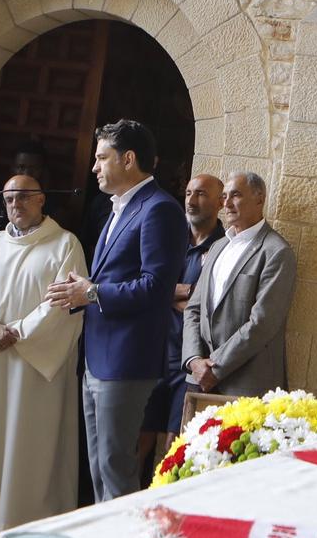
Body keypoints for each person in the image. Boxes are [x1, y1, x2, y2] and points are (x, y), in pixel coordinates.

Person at [45, 119, 185, 502]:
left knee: (116, 464)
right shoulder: (115, 209)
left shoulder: (159, 209)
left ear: (128, 159)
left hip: (127, 357)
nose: (94, 167)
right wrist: (77, 292)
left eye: (101, 158)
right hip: (98, 353)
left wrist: (91, 293)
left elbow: (156, 287)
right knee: (98, 465)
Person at [0, 174, 87, 530]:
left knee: (28, 438)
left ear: (42, 199)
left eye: (25, 197)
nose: (16, 205)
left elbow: (65, 301)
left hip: (35, 362)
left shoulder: (64, 244)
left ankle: (24, 516)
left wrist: (20, 332)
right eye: (10, 199)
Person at [183, 172, 297, 399]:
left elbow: (262, 323)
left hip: (245, 386)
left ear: (259, 199)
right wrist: (194, 360)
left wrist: (215, 367)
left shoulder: (276, 252)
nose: (226, 203)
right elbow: (193, 309)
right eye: (224, 196)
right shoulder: (217, 247)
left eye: (235, 195)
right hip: (198, 379)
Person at [139, 173, 224, 465]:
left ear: (220, 202)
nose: (191, 200)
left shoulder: (224, 247)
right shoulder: (168, 235)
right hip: (151, 352)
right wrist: (186, 292)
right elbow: (143, 285)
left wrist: (174, 293)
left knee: (174, 445)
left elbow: (213, 303)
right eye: (188, 193)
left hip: (189, 358)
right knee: (138, 440)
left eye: (201, 194)